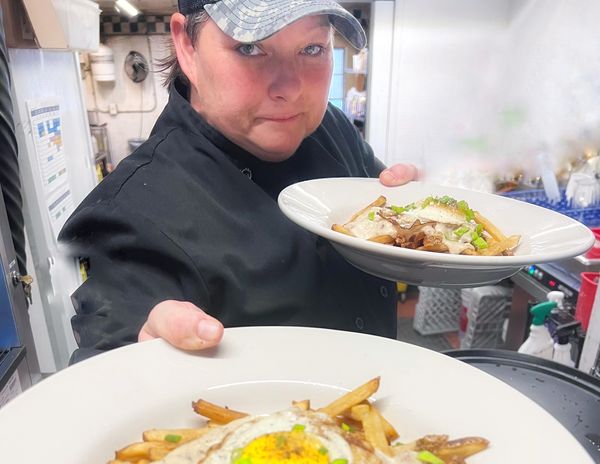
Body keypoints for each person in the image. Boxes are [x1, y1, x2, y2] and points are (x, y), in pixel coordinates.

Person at [59, 0, 417, 362]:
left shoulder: (332, 129)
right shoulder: (132, 213)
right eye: (250, 47)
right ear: (187, 46)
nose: (290, 89)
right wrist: (131, 364)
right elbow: (113, 341)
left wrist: (416, 212)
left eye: (312, 48)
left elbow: (384, 210)